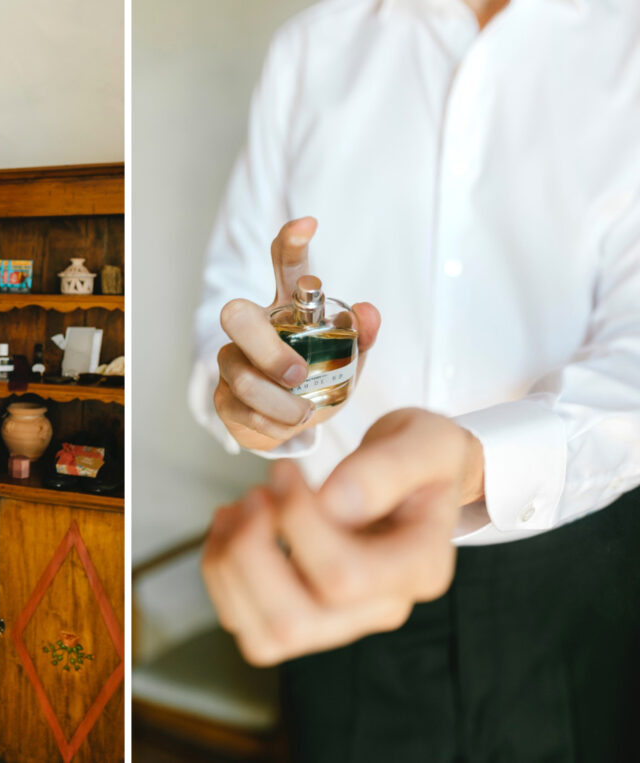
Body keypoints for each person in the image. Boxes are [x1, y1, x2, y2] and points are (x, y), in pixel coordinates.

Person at [190, 0, 640, 759]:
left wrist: (477, 459)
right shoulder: (311, 47)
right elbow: (224, 315)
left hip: (580, 581)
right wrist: (253, 389)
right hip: (338, 572)